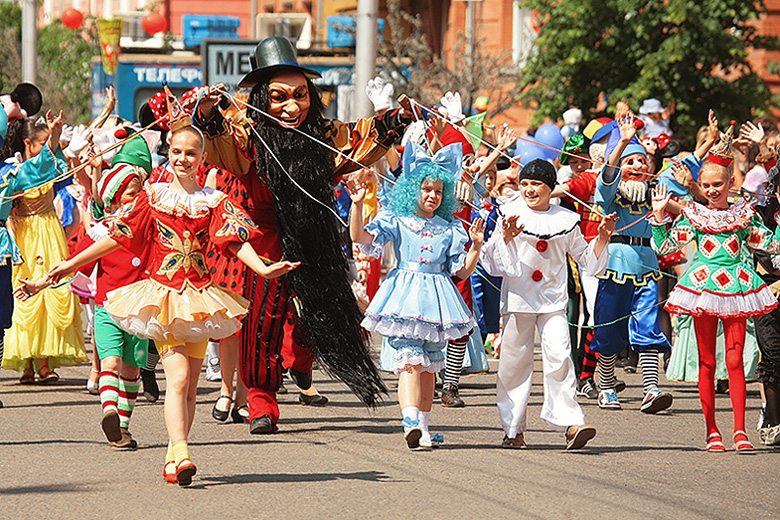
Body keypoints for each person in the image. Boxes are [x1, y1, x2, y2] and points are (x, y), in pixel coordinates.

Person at [47, 126, 299, 486]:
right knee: (177, 379)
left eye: (190, 153)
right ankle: (182, 451)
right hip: (162, 299)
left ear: (202, 158)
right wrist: (71, 264)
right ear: (170, 152)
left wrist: (263, 266)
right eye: (176, 151)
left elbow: (233, 240)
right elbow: (119, 236)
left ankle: (172, 455)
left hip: (199, 300)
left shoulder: (213, 200)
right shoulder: (152, 196)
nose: (182, 158)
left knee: (191, 388)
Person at [192, 37, 403, 432]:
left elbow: (357, 139)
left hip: (313, 234)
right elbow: (219, 140)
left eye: (301, 96)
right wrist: (207, 112)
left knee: (321, 316)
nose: (292, 106)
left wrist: (392, 120)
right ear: (261, 98)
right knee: (262, 320)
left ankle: (300, 361)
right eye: (280, 97)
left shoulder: (321, 132)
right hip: (266, 238)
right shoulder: (247, 135)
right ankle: (261, 401)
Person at [349, 142, 484, 450]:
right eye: (426, 189)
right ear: (413, 189)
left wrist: (475, 247)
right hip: (405, 296)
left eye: (438, 191)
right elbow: (360, 237)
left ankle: (422, 428)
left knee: (429, 366)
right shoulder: (397, 218)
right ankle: (409, 420)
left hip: (438, 297)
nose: (432, 196)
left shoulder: (450, 227)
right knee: (410, 361)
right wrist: (357, 205)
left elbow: (460, 271)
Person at [481, 159, 615, 449]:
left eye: (537, 184)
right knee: (514, 364)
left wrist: (602, 238)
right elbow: (490, 262)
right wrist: (505, 237)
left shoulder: (565, 219)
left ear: (550, 187)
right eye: (525, 183)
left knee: (560, 357)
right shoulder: (508, 212)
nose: (529, 190)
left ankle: (570, 423)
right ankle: (513, 428)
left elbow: (588, 261)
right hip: (518, 299)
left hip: (553, 301)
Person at [17, 162, 149, 449]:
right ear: (114, 199)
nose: (136, 198)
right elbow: (72, 265)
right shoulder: (100, 232)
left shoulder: (147, 228)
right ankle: (109, 412)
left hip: (140, 310)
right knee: (111, 362)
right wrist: (38, 284)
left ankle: (122, 428)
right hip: (107, 309)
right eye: (129, 194)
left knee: (132, 371)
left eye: (139, 192)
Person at [651, 158, 780, 452]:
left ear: (730, 183)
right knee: (707, 362)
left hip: (737, 287)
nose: (711, 191)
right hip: (703, 289)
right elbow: (667, 247)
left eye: (717, 184)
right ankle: (712, 431)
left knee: (734, 362)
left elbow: (771, 245)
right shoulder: (694, 214)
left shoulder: (745, 215)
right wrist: (659, 218)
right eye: (706, 186)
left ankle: (739, 431)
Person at [1, 110, 87, 382]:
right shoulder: (10, 171)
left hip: (47, 233)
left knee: (48, 292)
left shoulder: (14, 172)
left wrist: (55, 136)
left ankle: (44, 363)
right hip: (22, 235)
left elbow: (46, 166)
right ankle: (26, 363)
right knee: (21, 296)